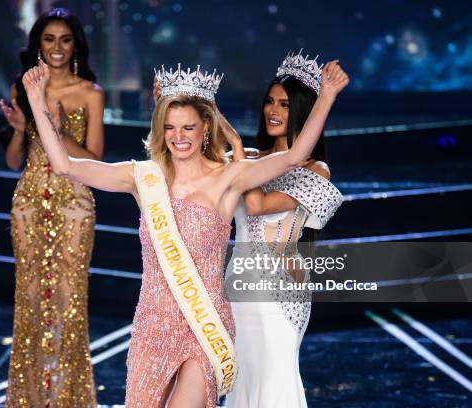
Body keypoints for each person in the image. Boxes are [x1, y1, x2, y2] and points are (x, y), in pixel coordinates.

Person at [21, 58, 348, 407]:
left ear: (205, 129)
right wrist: (36, 99)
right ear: (161, 130)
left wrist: (327, 95)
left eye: (188, 128)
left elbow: (297, 154)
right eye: (171, 127)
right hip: (153, 324)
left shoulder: (228, 179)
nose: (179, 137)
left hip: (204, 326)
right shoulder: (143, 178)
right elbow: (65, 165)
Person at [0, 7, 104, 407]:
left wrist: (58, 132)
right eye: (49, 39)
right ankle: (28, 399)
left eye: (65, 39)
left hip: (74, 205)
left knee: (70, 300)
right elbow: (14, 160)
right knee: (28, 299)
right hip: (28, 202)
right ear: (37, 45)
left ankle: (69, 398)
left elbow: (95, 159)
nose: (57, 47)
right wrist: (24, 130)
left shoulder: (91, 93)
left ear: (75, 44)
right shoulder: (23, 88)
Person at [225, 51, 344, 408]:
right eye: (270, 102)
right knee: (241, 377)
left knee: (276, 378)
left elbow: (258, 205)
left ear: (304, 112)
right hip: (238, 283)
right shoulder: (247, 157)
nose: (273, 111)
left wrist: (237, 156)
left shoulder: (315, 169)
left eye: (285, 105)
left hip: (280, 289)